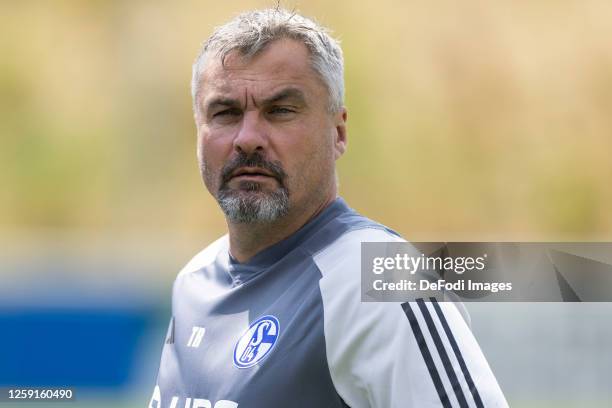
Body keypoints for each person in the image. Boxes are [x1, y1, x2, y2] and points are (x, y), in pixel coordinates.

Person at [149, 8, 507, 408]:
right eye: (226, 113)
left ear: (338, 132)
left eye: (280, 110)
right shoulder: (192, 282)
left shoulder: (379, 279)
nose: (248, 138)